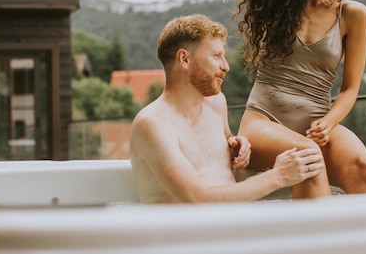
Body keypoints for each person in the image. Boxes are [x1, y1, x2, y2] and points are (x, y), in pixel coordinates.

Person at [190, 0, 366, 199]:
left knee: (362, 166)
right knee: (307, 157)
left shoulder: (354, 15)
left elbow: (350, 89)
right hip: (263, 122)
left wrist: (328, 122)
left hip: (317, 122)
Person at [129, 14, 324, 204]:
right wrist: (278, 176)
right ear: (184, 59)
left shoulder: (216, 103)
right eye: (216, 56)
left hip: (231, 224)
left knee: (310, 160)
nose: (226, 66)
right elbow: (195, 199)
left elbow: (219, 162)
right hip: (187, 234)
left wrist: (237, 147)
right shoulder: (152, 123)